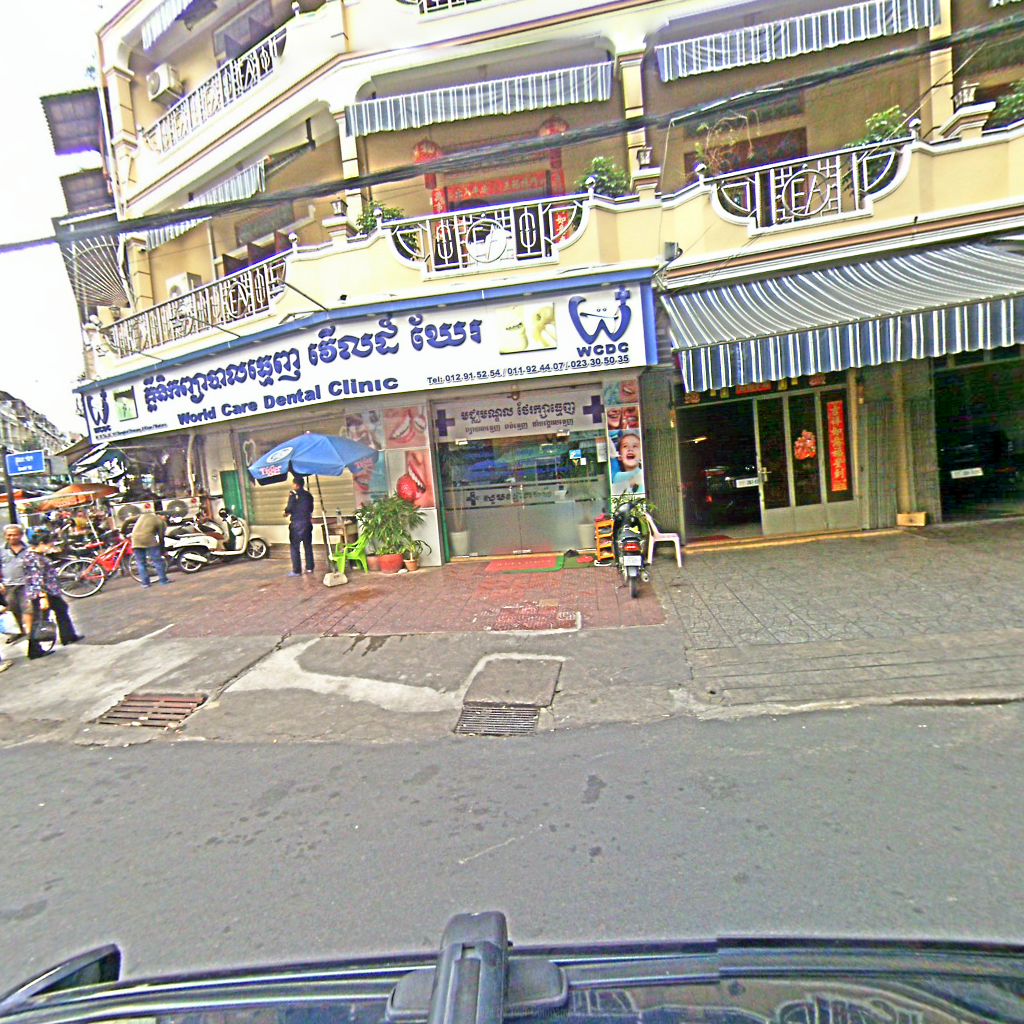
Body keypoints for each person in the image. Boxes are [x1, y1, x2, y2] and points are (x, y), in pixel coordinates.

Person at [23, 528, 84, 659]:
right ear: (41, 543)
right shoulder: (34, 558)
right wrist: (43, 597)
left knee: (60, 610)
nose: (51, 546)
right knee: (39, 620)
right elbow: (37, 578)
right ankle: (35, 650)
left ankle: (68, 636)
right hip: (44, 593)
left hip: (48, 591)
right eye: (49, 544)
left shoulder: (35, 556)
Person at [1, 524, 33, 644]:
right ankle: (19, 631)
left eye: (15, 535)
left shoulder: (29, 549)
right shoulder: (1, 550)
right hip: (8, 586)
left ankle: (30, 633)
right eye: (9, 535)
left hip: (26, 584)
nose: (12, 537)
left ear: (21, 535)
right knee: (13, 609)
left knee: (28, 609)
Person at [130, 510, 171, 587]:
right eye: (166, 518)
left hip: (135, 540)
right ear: (162, 516)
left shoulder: (143, 516)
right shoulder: (160, 521)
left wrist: (122, 531)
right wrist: (162, 550)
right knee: (157, 561)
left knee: (141, 563)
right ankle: (163, 580)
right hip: (149, 541)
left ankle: (145, 583)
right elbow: (161, 537)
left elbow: (127, 520)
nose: (166, 520)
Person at [284, 475, 314, 576]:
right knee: (308, 546)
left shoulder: (293, 494)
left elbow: (289, 508)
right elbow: (311, 509)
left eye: (293, 484)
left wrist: (286, 512)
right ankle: (309, 567)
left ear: (296, 485)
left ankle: (296, 570)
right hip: (307, 523)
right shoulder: (309, 495)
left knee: (295, 547)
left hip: (296, 524)